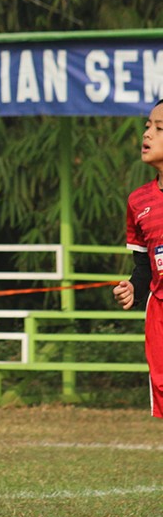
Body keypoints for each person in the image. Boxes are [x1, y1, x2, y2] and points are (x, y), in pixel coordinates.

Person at [113, 98, 163, 419]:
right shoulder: (138, 201)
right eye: (147, 126)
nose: (147, 134)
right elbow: (144, 267)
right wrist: (134, 287)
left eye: (159, 129)